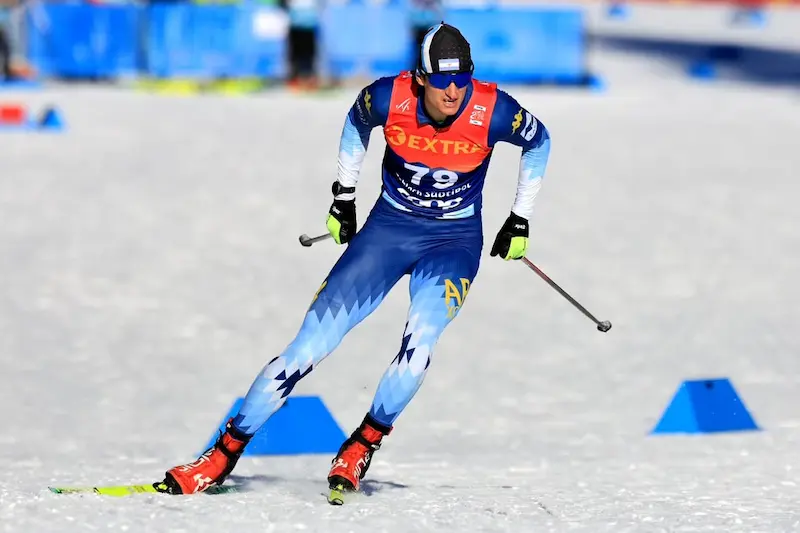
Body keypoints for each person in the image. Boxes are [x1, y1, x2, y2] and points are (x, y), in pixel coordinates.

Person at [155, 22, 552, 501]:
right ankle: (220, 457)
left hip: (453, 242)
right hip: (386, 233)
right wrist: (343, 197)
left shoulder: (493, 109)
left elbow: (539, 141)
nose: (453, 91)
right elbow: (355, 123)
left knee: (419, 345)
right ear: (420, 77)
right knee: (304, 349)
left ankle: (362, 444)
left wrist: (520, 219)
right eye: (442, 80)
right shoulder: (388, 98)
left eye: (462, 79)